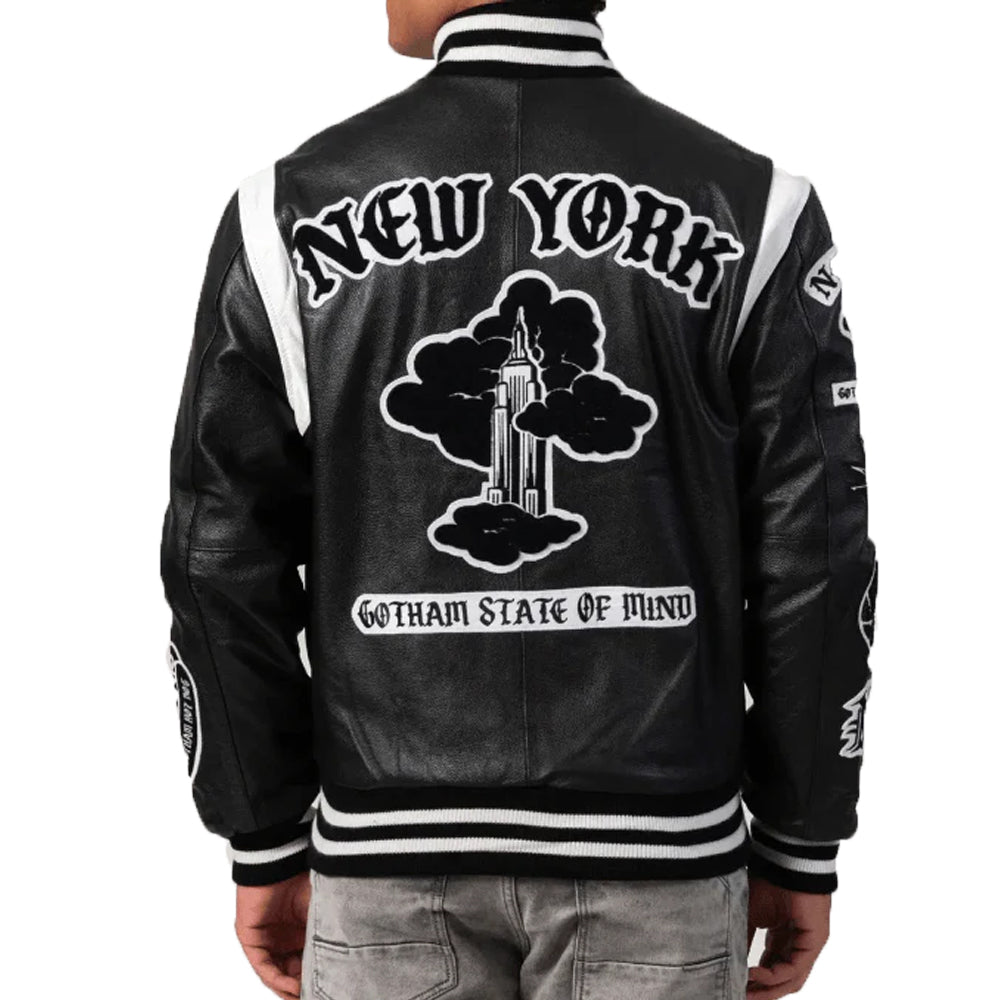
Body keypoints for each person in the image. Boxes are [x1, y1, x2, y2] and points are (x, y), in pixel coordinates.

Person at [159, 1, 877, 997]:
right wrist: (801, 833)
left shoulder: (281, 211)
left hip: (386, 852)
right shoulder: (757, 209)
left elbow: (216, 555)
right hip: (662, 850)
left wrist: (263, 827)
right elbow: (817, 555)